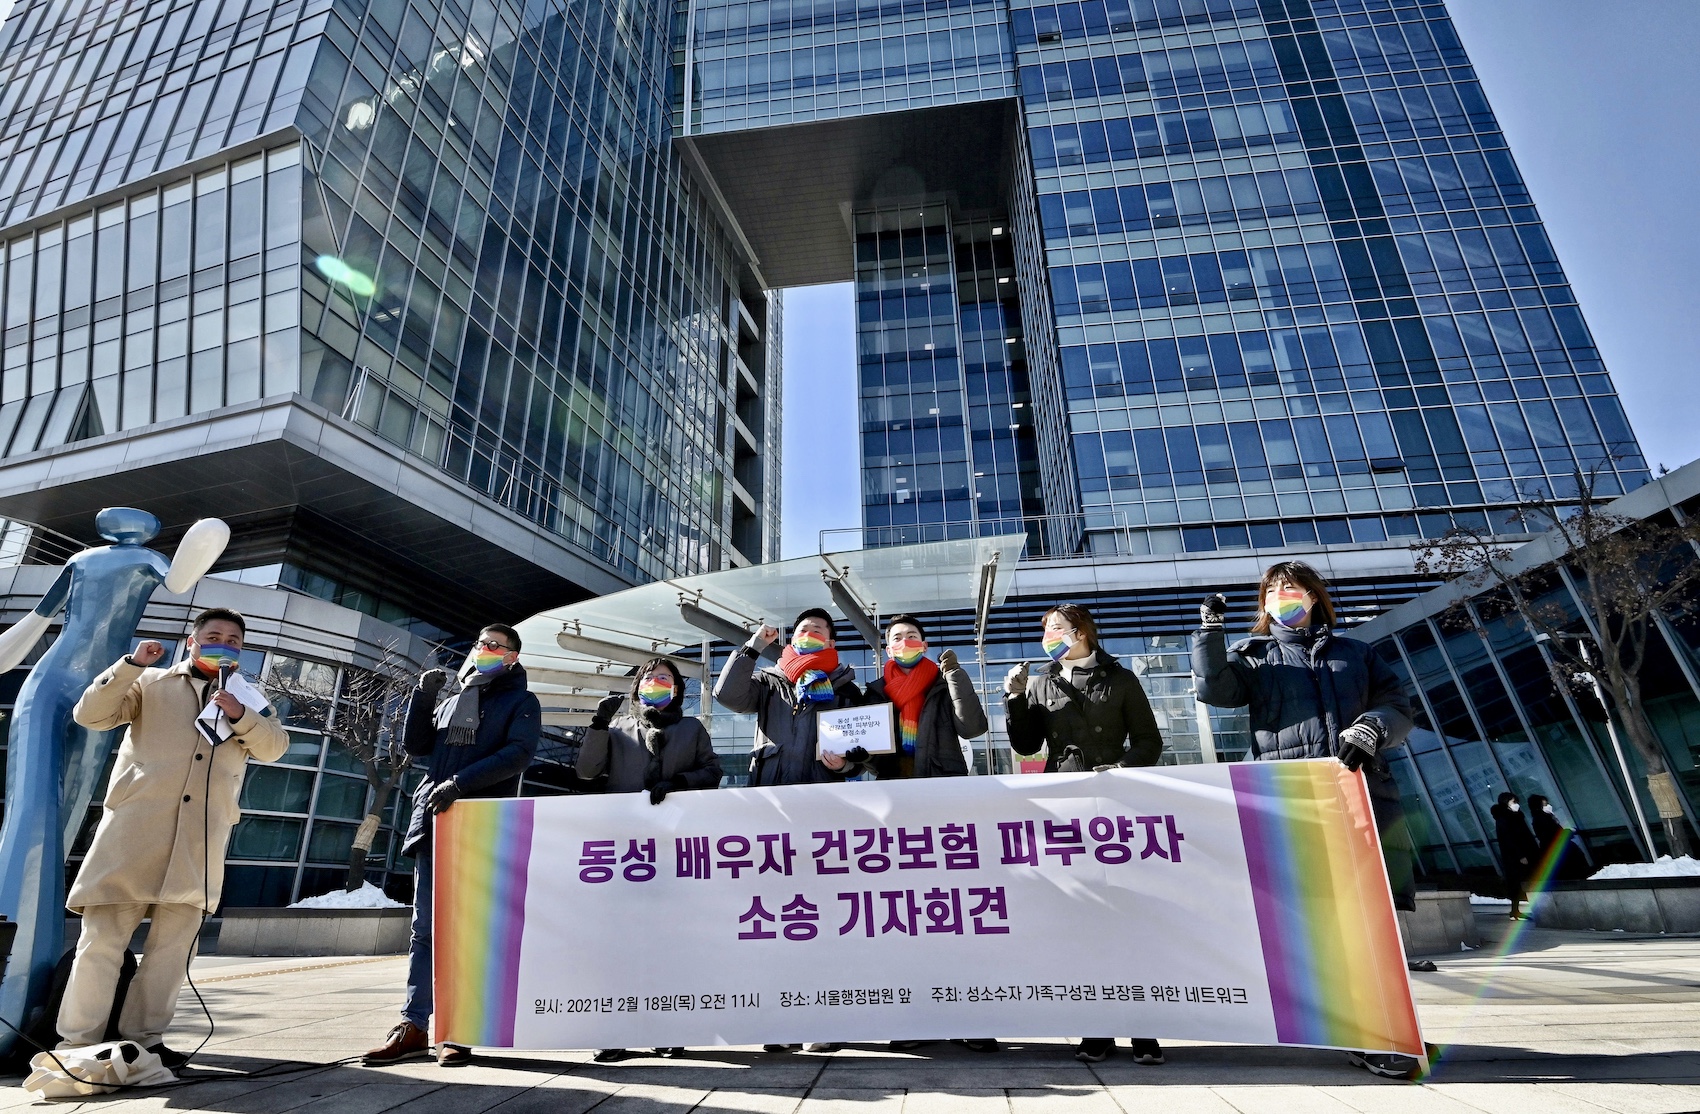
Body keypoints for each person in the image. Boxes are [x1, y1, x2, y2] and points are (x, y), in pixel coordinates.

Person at [1191, 560, 1418, 1079]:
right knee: (1313, 924)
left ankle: (1382, 1030)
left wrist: (1370, 729)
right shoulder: (1254, 657)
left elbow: (1397, 704)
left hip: (1361, 796)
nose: (1281, 596)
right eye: (1272, 591)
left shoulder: (1356, 653)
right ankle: (1350, 1026)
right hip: (1290, 804)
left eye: (1291, 588)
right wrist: (1209, 634)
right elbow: (1215, 690)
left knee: (1370, 921)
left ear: (1314, 597)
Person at [57, 608, 287, 1068]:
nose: (225, 644)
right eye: (214, 636)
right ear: (192, 641)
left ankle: (144, 1041)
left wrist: (239, 715)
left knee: (172, 951)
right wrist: (131, 665)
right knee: (101, 942)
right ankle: (76, 1044)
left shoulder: (250, 699)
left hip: (198, 844)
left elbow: (274, 748)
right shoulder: (151, 683)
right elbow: (92, 714)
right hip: (133, 837)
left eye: (235, 640)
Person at [364, 624, 541, 1068]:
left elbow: (519, 754)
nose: (484, 650)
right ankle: (414, 1025)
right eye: (480, 644)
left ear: (512, 658)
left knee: (467, 930)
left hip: (480, 823)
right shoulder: (452, 700)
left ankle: (458, 1028)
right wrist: (422, 700)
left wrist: (461, 783)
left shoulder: (521, 701)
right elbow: (417, 746)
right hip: (436, 819)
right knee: (425, 927)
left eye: (495, 646)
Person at [1003, 603, 1164, 1066]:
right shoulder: (1041, 681)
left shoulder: (1121, 678)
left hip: (1117, 802)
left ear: (1083, 631)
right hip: (1064, 803)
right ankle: (1095, 1027)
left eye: (1058, 627)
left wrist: (1121, 768)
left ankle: (1143, 1027)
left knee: (1129, 914)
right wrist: (1014, 698)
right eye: (1045, 629)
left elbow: (1149, 742)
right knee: (1081, 914)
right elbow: (1027, 745)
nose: (1050, 636)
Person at [714, 607, 860, 1051]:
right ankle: (777, 1020)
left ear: (831, 641)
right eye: (802, 630)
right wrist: (752, 647)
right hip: (771, 811)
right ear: (790, 639)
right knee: (776, 916)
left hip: (822, 811)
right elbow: (726, 696)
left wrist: (848, 761)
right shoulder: (768, 681)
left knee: (823, 917)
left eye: (819, 630)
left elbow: (862, 745)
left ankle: (824, 1022)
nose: (810, 634)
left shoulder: (846, 688)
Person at [576, 656, 722, 1062]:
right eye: (649, 677)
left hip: (674, 846)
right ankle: (614, 1030)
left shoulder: (692, 728)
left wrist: (678, 782)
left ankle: (667, 1027)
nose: (656, 682)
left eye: (665, 678)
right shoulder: (619, 728)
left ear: (676, 688)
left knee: (668, 940)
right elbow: (587, 773)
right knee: (619, 940)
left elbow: (713, 772)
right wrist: (598, 726)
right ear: (636, 685)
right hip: (623, 849)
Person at [861, 615, 995, 1055]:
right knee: (904, 916)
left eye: (912, 637)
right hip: (894, 808)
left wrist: (955, 674)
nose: (905, 642)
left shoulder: (942, 682)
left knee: (954, 913)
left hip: (942, 801)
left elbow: (973, 727)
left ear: (924, 643)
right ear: (886, 647)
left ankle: (970, 1016)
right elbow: (865, 751)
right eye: (896, 638)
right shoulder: (876, 693)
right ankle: (914, 1014)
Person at [1493, 792, 1539, 921]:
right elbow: (1509, 840)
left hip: (1524, 854)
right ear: (1505, 803)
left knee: (1523, 882)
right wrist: (1520, 855)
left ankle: (1516, 910)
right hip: (1515, 857)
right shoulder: (1504, 819)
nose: (1516, 805)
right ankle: (1516, 910)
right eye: (1513, 802)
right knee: (1519, 883)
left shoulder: (1516, 816)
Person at [1527, 793, 1581, 880]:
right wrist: (1569, 832)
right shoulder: (1542, 819)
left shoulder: (1544, 817)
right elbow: (1552, 834)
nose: (1548, 806)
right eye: (1545, 804)